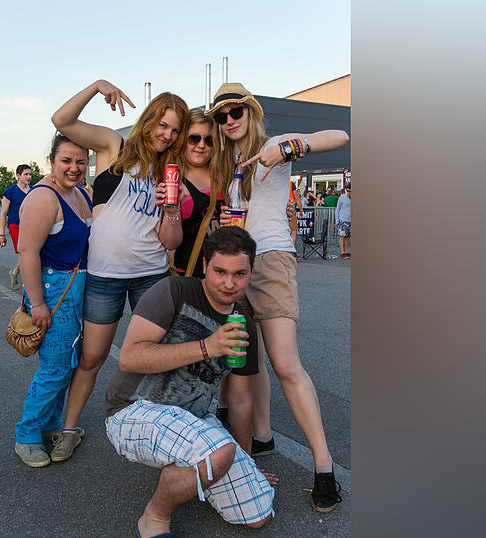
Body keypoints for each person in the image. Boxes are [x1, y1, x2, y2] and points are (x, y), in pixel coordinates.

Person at [207, 82, 349, 512]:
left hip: (270, 260)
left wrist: (288, 149)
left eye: (235, 112)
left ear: (250, 112)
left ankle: (324, 468)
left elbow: (339, 136)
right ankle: (263, 435)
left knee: (286, 364)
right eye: (221, 116)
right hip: (236, 264)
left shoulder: (275, 145)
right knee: (248, 361)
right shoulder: (227, 162)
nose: (229, 120)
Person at [105, 226, 276, 536]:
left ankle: (192, 469)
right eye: (220, 272)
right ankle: (154, 518)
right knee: (216, 453)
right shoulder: (174, 291)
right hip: (133, 410)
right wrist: (207, 347)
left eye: (239, 274)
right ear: (205, 266)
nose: (229, 283)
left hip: (192, 419)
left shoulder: (244, 324)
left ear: (251, 272)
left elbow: (240, 399)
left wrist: (245, 460)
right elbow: (129, 357)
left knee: (257, 512)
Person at [50, 79, 188, 460]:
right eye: (163, 125)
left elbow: (171, 242)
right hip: (105, 275)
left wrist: (171, 209)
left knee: (157, 357)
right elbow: (62, 120)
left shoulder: (170, 170)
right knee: (91, 357)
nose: (167, 135)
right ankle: (68, 429)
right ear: (149, 120)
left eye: (175, 130)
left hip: (151, 274)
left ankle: (165, 432)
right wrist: (97, 87)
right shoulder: (116, 145)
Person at [12, 134, 93, 468]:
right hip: (53, 291)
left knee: (68, 364)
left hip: (77, 289)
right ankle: (26, 434)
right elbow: (27, 251)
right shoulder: (43, 197)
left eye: (81, 161)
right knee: (54, 368)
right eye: (66, 161)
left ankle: (50, 423)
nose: (74, 168)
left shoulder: (80, 194)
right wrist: (37, 303)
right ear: (51, 161)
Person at [172, 107, 222, 278]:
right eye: (194, 138)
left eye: (208, 140)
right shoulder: (173, 179)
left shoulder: (225, 174)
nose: (201, 145)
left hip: (224, 274)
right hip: (188, 275)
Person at [0, 164, 33, 290]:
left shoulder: (34, 190)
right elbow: (3, 213)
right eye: (26, 174)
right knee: (25, 254)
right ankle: (29, 284)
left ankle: (15, 272)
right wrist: (1, 234)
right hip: (15, 226)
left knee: (32, 253)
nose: (29, 177)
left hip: (31, 226)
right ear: (18, 175)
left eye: (30, 174)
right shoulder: (10, 191)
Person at [335, 183, 352, 258]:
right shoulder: (342, 198)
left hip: (350, 219)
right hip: (343, 219)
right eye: (347, 191)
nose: (348, 192)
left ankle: (346, 251)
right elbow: (337, 209)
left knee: (348, 236)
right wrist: (337, 220)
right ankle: (342, 252)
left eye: (350, 191)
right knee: (342, 236)